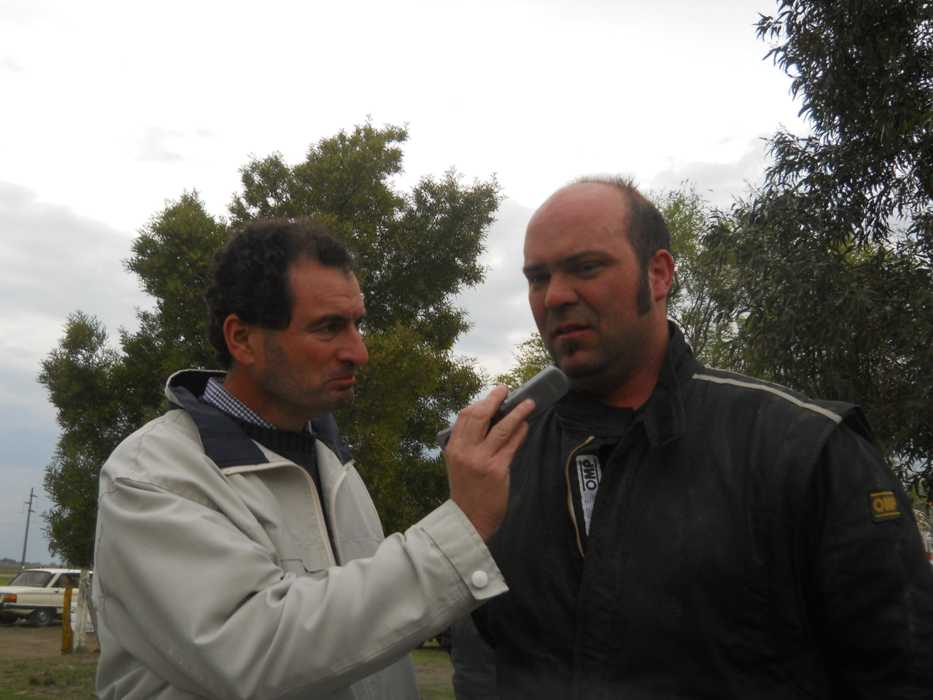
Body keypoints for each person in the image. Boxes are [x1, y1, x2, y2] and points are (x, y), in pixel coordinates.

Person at [456, 178, 933, 699]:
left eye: (586, 267)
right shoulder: (500, 465)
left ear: (658, 274)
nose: (556, 296)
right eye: (538, 277)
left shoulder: (802, 448)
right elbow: (481, 662)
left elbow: (899, 670)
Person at [92, 218, 534, 700]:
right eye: (329, 328)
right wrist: (462, 527)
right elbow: (252, 651)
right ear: (242, 339)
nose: (359, 352)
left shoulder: (333, 464)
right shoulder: (152, 476)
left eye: (357, 324)